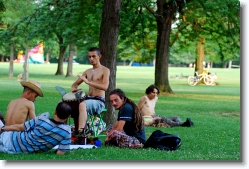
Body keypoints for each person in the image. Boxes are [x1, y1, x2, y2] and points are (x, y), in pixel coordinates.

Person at [0, 102, 72, 155]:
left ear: (55, 111)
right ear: (68, 116)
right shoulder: (66, 132)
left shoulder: (41, 119)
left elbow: (19, 127)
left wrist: (3, 128)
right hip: (15, 150)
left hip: (9, 138)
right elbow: (60, 153)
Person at [71, 47, 110, 134]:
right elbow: (75, 84)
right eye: (89, 57)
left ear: (99, 56)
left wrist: (88, 82)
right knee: (67, 105)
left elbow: (105, 87)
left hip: (99, 101)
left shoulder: (105, 70)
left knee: (82, 104)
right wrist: (74, 88)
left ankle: (81, 133)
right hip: (88, 99)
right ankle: (65, 131)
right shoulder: (87, 71)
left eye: (94, 56)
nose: (91, 59)